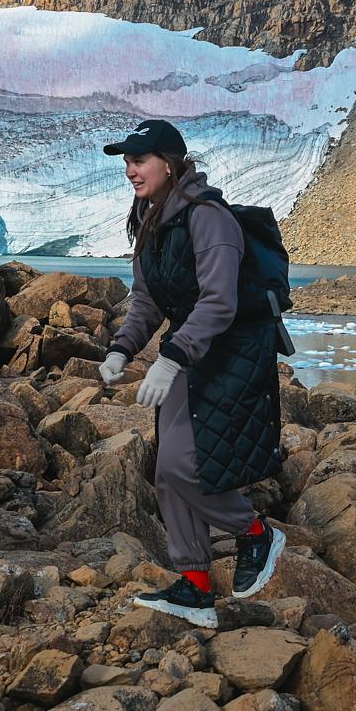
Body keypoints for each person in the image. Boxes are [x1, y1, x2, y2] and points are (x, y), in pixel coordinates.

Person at [98, 119, 285, 628]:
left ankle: (255, 533)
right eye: (127, 162)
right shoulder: (150, 219)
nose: (130, 170)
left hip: (232, 350)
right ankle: (196, 586)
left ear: (169, 163)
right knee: (166, 470)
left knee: (185, 465)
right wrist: (122, 348)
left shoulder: (209, 218)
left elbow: (220, 302)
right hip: (190, 349)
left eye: (139, 160)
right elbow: (147, 300)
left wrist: (170, 359)